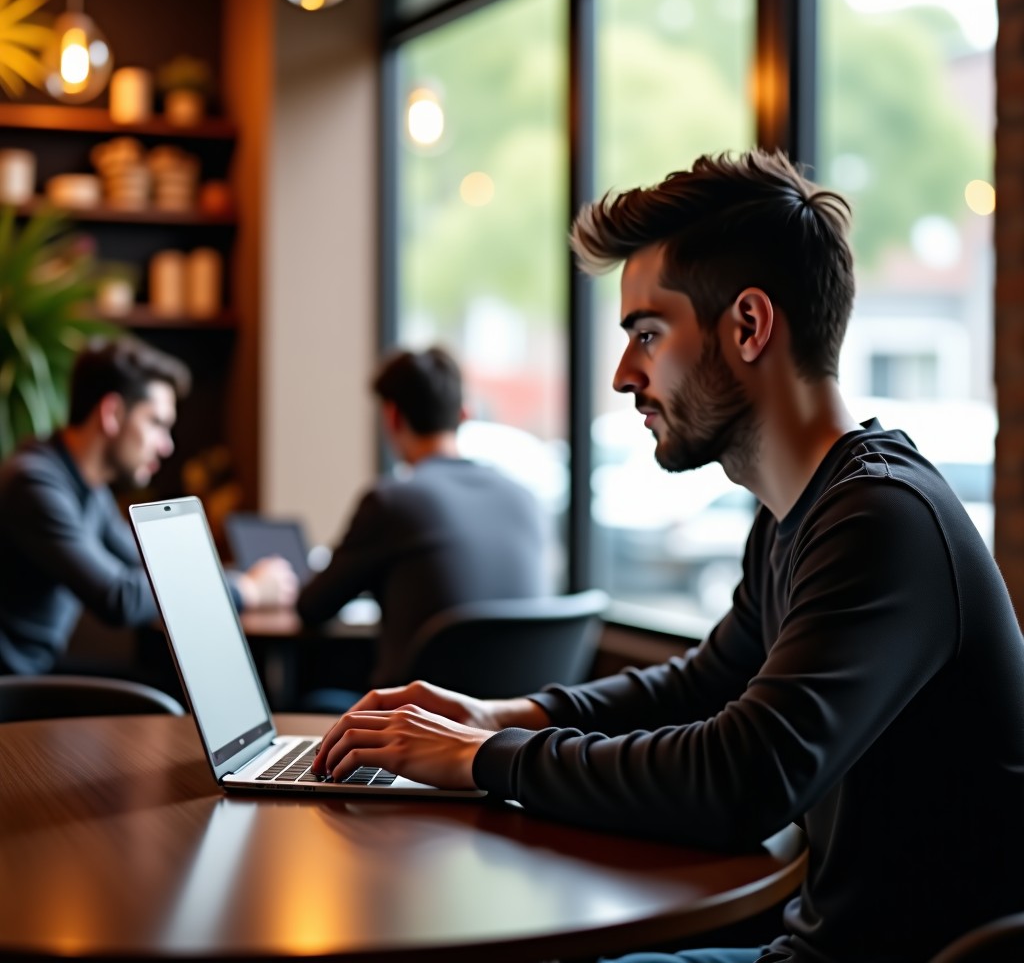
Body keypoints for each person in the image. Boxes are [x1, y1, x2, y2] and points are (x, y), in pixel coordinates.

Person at [310, 149, 1024, 963]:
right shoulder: (800, 515)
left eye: (647, 334)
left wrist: (482, 759)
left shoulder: (882, 519)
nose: (622, 375)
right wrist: (502, 716)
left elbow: (742, 779)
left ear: (749, 326)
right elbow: (699, 687)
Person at [0, 334, 298, 678]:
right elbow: (119, 597)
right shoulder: (33, 482)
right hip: (14, 688)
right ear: (112, 413)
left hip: (37, 674)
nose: (166, 446)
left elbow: (146, 563)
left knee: (165, 686)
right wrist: (244, 589)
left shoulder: (86, 486)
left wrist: (220, 578)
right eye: (157, 424)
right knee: (163, 698)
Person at [296, 345, 550, 703]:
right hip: (513, 734)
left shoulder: (393, 500)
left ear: (392, 417)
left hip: (415, 731)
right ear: (464, 414)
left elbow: (312, 607)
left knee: (313, 700)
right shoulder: (525, 497)